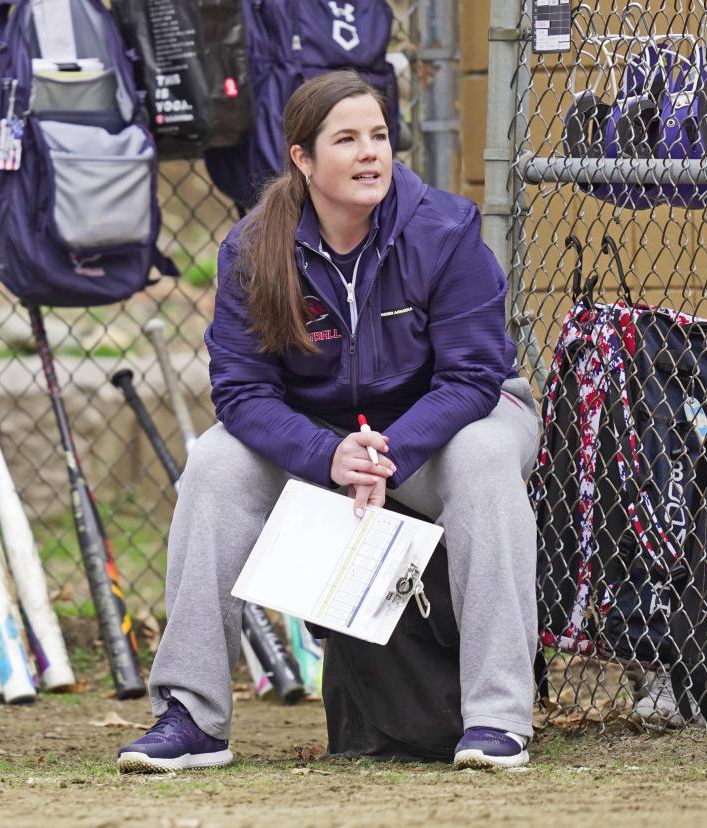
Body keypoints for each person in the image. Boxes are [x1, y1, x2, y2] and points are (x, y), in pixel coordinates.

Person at [117, 71, 541, 773]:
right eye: (346, 139)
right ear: (303, 159)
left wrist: (388, 452)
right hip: (322, 437)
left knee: (487, 461)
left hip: (448, 426)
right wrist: (328, 455)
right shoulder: (255, 250)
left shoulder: (446, 229)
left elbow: (473, 376)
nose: (370, 153)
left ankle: (497, 719)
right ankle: (192, 718)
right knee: (216, 463)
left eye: (379, 136)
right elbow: (242, 392)